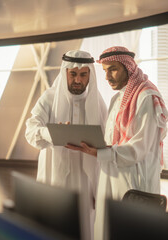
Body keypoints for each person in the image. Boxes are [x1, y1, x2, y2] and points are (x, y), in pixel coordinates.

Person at [66, 46, 168, 240]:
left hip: (134, 179)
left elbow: (140, 147)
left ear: (127, 68)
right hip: (112, 174)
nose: (107, 77)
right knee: (108, 228)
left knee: (131, 231)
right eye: (105, 71)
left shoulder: (146, 97)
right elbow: (113, 141)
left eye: (113, 69)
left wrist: (101, 153)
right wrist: (95, 148)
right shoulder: (117, 99)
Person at [25, 50, 107, 239]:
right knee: (53, 225)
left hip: (85, 179)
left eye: (83, 75)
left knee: (84, 225)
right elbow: (30, 130)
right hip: (55, 173)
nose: (78, 80)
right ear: (65, 73)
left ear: (89, 76)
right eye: (73, 74)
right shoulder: (49, 98)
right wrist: (52, 132)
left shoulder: (98, 102)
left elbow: (108, 141)